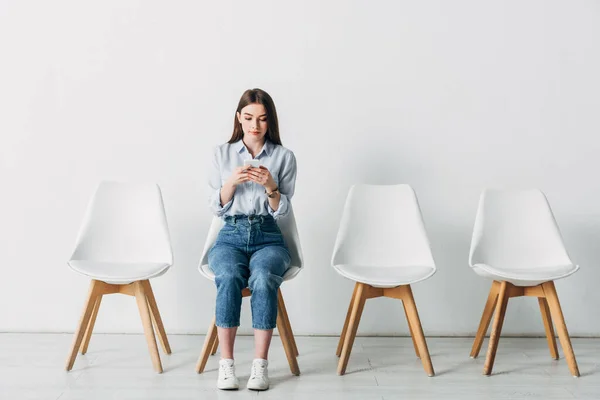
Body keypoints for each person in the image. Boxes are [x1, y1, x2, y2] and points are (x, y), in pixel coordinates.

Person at [207, 88, 297, 391]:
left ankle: (260, 366)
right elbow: (215, 206)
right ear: (239, 118)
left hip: (268, 237)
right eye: (248, 118)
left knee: (262, 277)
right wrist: (232, 181)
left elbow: (283, 212)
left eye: (261, 119)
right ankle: (226, 365)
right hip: (230, 235)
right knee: (230, 275)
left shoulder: (284, 157)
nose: (254, 126)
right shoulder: (221, 153)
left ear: (270, 121)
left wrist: (271, 186)